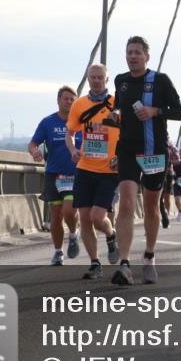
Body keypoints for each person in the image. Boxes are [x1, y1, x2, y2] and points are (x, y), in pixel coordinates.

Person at [111, 36, 181, 285]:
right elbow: (119, 109)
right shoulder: (120, 81)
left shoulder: (160, 81)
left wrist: (155, 111)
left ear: (147, 57)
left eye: (137, 53)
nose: (132, 56)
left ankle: (150, 257)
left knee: (152, 208)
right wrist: (115, 115)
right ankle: (124, 264)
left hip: (154, 152)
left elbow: (179, 111)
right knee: (127, 204)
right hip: (128, 151)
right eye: (129, 52)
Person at [65, 64, 121, 279]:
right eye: (92, 77)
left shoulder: (118, 103)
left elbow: (128, 133)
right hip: (85, 167)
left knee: (98, 217)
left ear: (107, 80)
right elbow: (69, 133)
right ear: (88, 79)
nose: (96, 80)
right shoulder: (79, 104)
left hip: (109, 170)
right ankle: (95, 263)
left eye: (100, 77)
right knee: (85, 218)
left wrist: (122, 156)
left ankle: (111, 234)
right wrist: (72, 150)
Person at [29, 85, 82, 266]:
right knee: (56, 214)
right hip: (54, 174)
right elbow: (33, 143)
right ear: (58, 100)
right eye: (65, 98)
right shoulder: (48, 122)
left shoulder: (81, 122)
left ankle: (73, 235)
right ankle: (58, 251)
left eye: (72, 99)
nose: (68, 101)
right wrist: (35, 152)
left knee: (69, 210)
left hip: (75, 174)